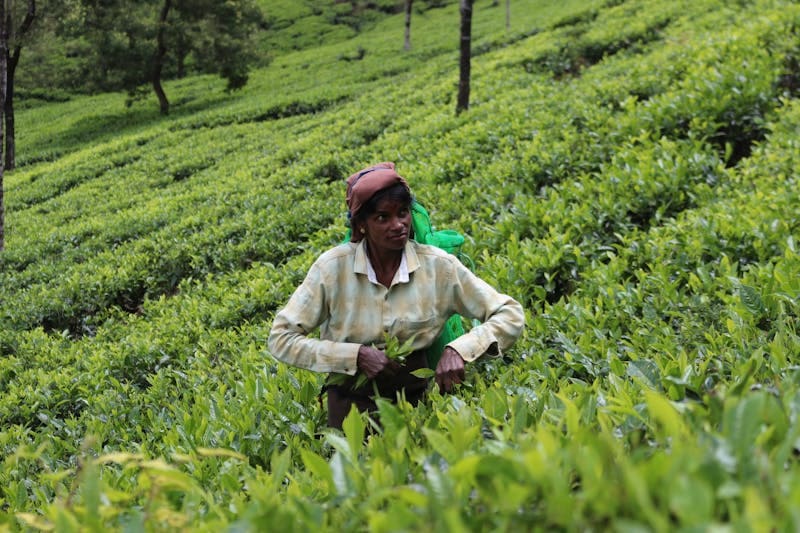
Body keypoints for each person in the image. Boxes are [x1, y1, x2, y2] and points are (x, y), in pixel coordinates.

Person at [268, 162, 525, 429]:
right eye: (383, 218)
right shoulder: (332, 270)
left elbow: (509, 313)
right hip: (351, 404)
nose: (398, 225)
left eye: (403, 213)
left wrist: (459, 350)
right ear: (361, 226)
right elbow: (281, 338)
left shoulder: (438, 267)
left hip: (416, 399)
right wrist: (355, 356)